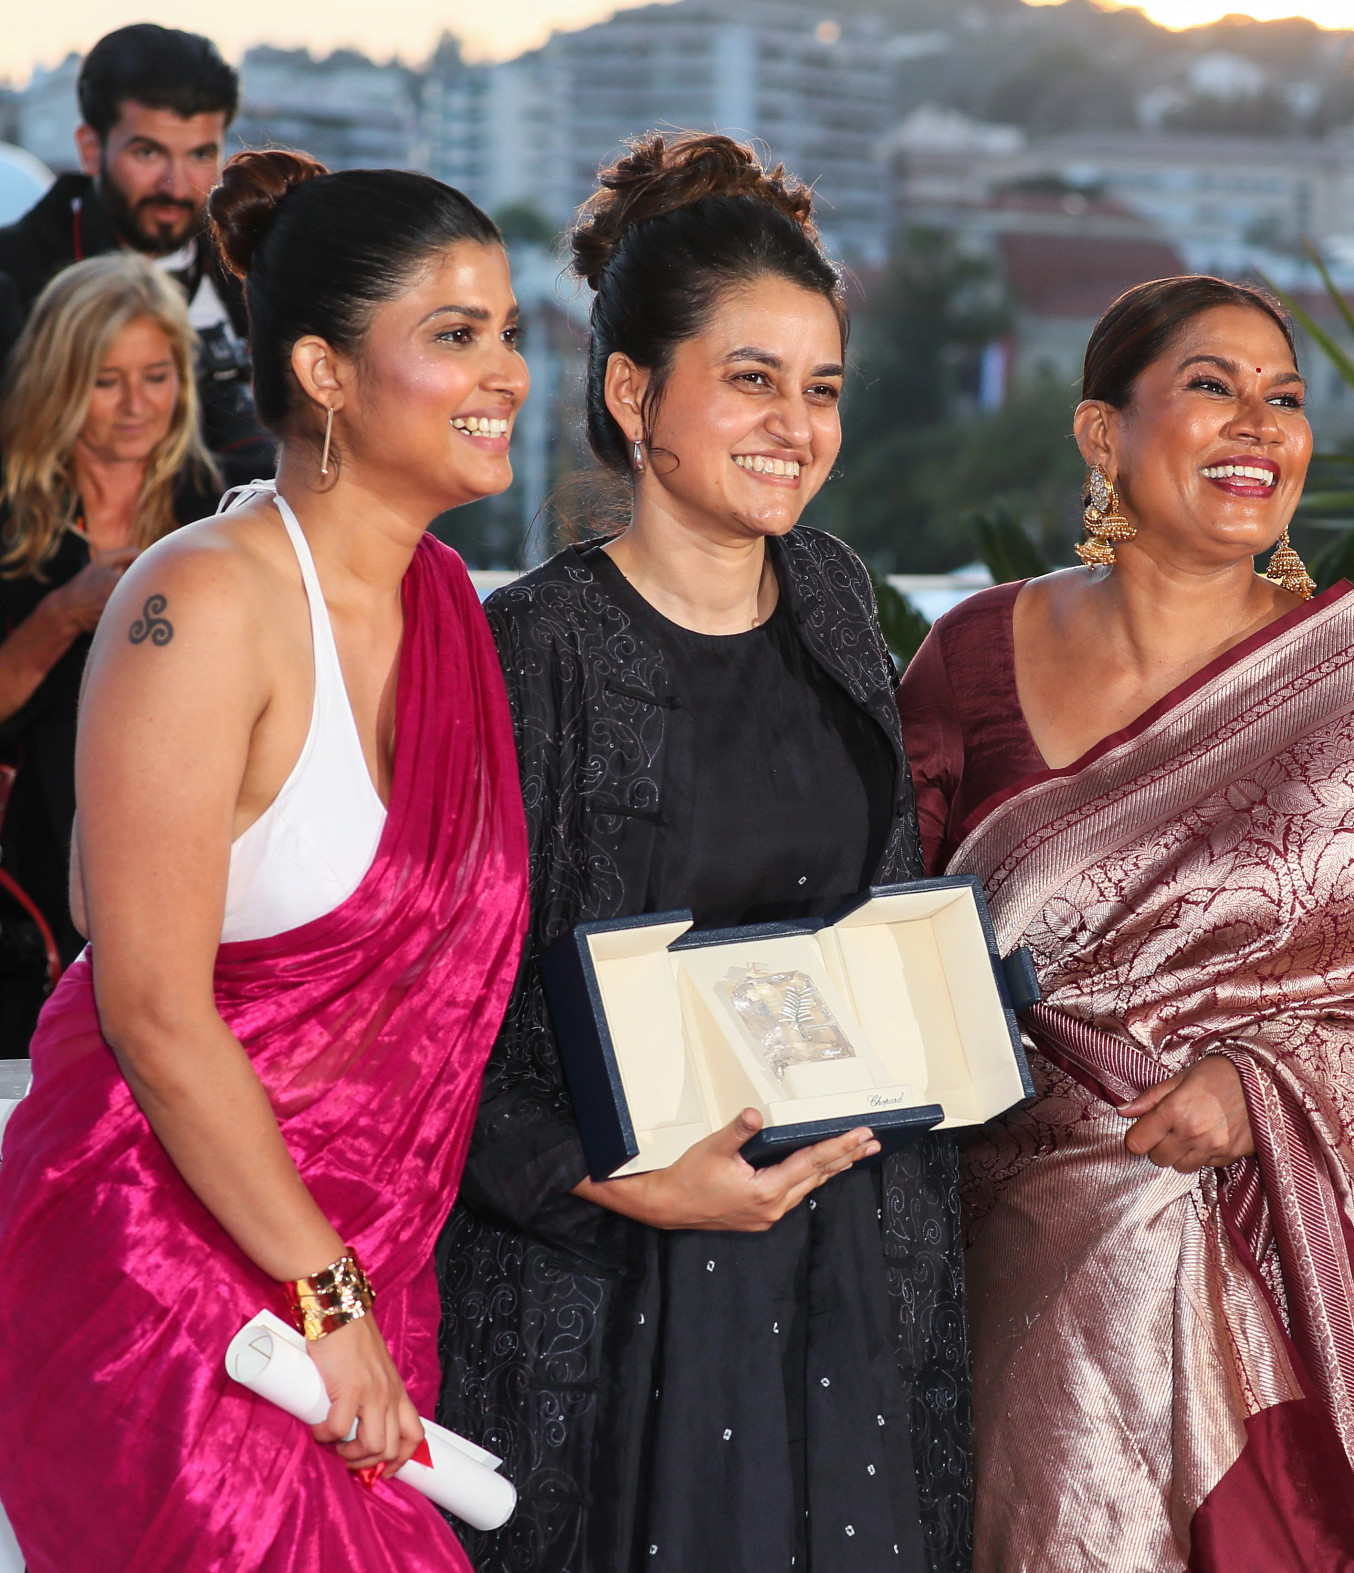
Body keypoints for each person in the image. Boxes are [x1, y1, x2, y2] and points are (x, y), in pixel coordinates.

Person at [898, 274, 1354, 1573]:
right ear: (1103, 435)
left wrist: (1264, 1086)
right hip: (1016, 1251)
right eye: (1212, 386)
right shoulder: (970, 655)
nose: (1259, 423)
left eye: (1287, 398)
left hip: (1284, 1275)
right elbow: (889, 944)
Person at [435, 132, 971, 1573]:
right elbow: (431, 1024)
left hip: (842, 1276)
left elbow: (867, 913)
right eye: (751, 379)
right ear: (631, 394)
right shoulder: (525, 653)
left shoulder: (838, 601)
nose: (795, 424)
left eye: (822, 388)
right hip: (611, 1293)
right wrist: (612, 1178)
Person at [0, 148, 529, 1570]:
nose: (510, 373)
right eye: (456, 334)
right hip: (167, 1283)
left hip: (351, 1285)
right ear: (326, 369)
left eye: (512, 331)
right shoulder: (200, 605)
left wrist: (352, 1296)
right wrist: (330, 1295)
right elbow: (153, 1009)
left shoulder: (450, 611)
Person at [0, 252, 221, 1049]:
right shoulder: (11, 512)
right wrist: (63, 612)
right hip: (28, 897)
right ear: (59, 380)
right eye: (106, 380)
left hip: (186, 874)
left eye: (156, 375)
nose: (137, 405)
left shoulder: (220, 509)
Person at [0, 24, 271, 488]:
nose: (175, 184)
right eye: (149, 153)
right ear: (90, 150)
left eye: (199, 154)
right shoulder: (14, 282)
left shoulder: (260, 269)